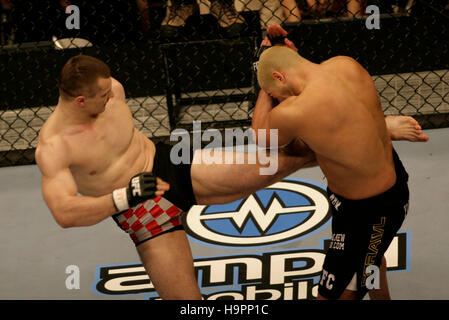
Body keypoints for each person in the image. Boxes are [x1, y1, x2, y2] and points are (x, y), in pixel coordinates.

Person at [35, 54, 315, 300]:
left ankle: (352, 164)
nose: (112, 96)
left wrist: (269, 67)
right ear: (81, 101)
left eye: (109, 89)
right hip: (141, 211)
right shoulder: (55, 146)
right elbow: (65, 213)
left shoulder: (112, 88)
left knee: (285, 159)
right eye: (103, 95)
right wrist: (124, 197)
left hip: (170, 166)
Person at [252, 24, 427, 300]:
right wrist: (280, 56)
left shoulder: (297, 110)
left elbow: (262, 135)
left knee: (334, 296)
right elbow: (339, 109)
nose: (279, 100)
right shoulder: (345, 65)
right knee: (372, 258)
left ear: (278, 77)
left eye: (277, 94)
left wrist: (263, 83)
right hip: (374, 191)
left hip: (373, 211)